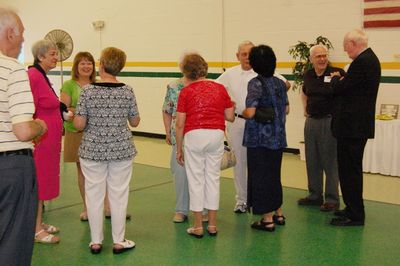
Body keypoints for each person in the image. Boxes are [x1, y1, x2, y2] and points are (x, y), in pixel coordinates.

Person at [74, 47, 140, 254]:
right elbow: (135, 121)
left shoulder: (87, 91)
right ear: (120, 67)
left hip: (92, 149)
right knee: (119, 194)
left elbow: (79, 124)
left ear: (101, 65)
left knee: (93, 194)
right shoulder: (127, 90)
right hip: (121, 149)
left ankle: (95, 241)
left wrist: (72, 117)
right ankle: (119, 241)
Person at [216, 41, 291, 213]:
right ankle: (242, 200)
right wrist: (228, 103)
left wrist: (269, 106)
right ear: (237, 56)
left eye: (251, 54)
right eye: (244, 54)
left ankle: (265, 206)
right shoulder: (230, 73)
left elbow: (286, 84)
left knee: (262, 167)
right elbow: (215, 88)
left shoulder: (263, 74)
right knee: (240, 162)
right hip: (239, 122)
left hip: (260, 126)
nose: (247, 57)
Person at [0, 6, 47, 265]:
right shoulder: (13, 70)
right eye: (22, 34)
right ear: (9, 34)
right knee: (12, 241)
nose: (23, 41)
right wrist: (40, 125)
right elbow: (23, 130)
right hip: (10, 167)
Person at [175, 53, 235, 238]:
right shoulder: (220, 88)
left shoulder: (185, 92)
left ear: (186, 72)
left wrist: (179, 148)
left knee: (196, 180)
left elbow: (179, 123)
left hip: (194, 135)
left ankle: (198, 225)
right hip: (216, 135)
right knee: (212, 178)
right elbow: (230, 116)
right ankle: (213, 225)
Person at [330, 29, 381, 226]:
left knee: (350, 170)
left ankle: (356, 214)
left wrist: (336, 78)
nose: (344, 49)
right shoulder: (367, 60)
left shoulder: (363, 62)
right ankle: (351, 208)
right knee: (348, 169)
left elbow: (341, 89)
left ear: (353, 43)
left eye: (345, 45)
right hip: (353, 127)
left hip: (353, 127)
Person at [242, 45, 289, 232]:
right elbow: (286, 109)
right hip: (278, 137)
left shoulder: (255, 83)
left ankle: (266, 219)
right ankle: (278, 212)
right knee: (274, 175)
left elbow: (251, 111)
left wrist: (243, 112)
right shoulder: (279, 83)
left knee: (261, 177)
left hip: (259, 139)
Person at [297, 44, 345, 211]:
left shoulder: (336, 73)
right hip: (312, 121)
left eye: (324, 55)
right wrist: (305, 110)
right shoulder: (308, 75)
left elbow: (345, 95)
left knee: (330, 161)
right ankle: (315, 195)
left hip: (329, 121)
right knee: (312, 159)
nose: (322, 59)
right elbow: (304, 92)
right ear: (311, 59)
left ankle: (332, 199)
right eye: (318, 56)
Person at [28, 39, 63, 244]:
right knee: (38, 183)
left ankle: (39, 223)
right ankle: (35, 229)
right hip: (40, 140)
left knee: (43, 181)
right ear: (40, 56)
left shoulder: (42, 76)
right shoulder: (33, 75)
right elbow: (30, 108)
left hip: (49, 140)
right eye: (51, 54)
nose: (56, 57)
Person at [60, 52, 96, 221]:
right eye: (82, 63)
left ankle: (107, 206)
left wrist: (78, 110)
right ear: (76, 66)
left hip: (95, 133)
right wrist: (77, 111)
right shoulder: (68, 85)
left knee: (99, 171)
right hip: (75, 132)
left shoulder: (98, 84)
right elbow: (65, 110)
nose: (86, 66)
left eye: (89, 63)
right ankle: (87, 207)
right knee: (82, 171)